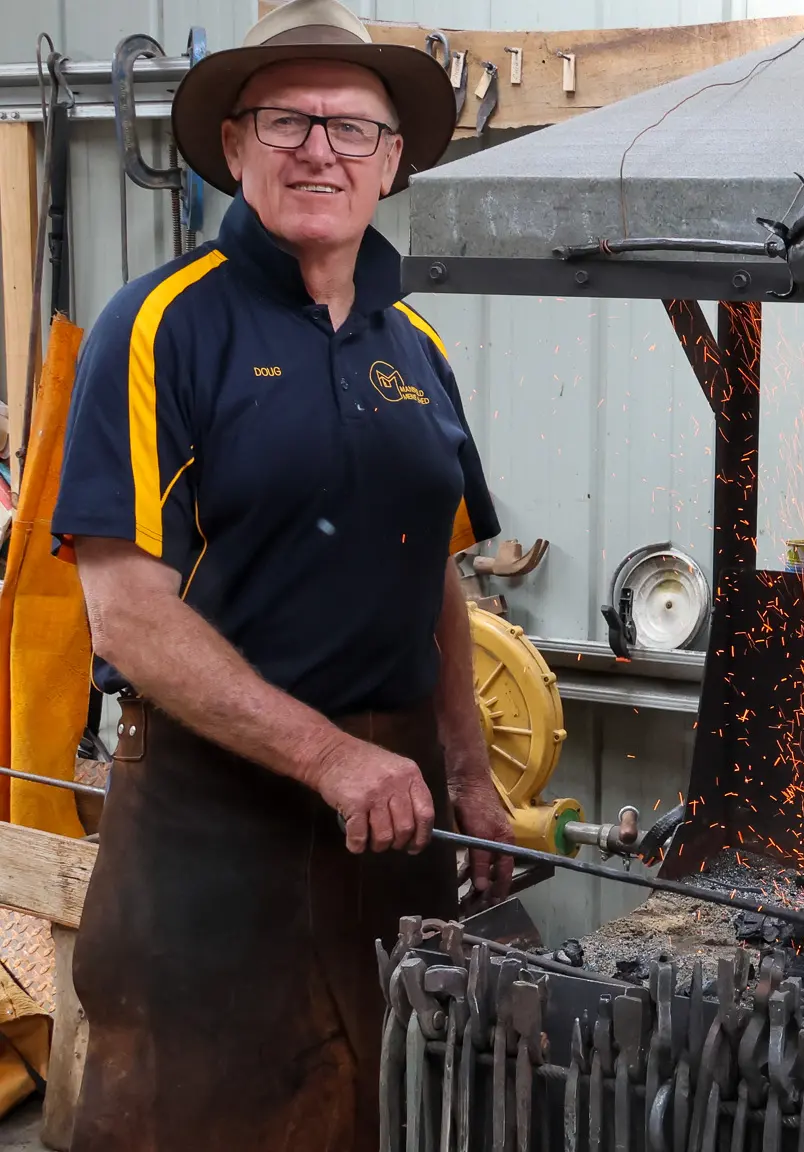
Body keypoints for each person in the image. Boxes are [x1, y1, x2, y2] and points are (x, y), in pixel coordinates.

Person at [50, 2, 514, 1148]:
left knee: (384, 1116)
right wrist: (328, 756)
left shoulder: (420, 354)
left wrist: (469, 773)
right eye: (288, 121)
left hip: (389, 823)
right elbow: (126, 617)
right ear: (238, 147)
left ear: (392, 160)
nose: (320, 149)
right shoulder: (158, 325)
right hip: (214, 833)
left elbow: (438, 582)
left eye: (351, 128)